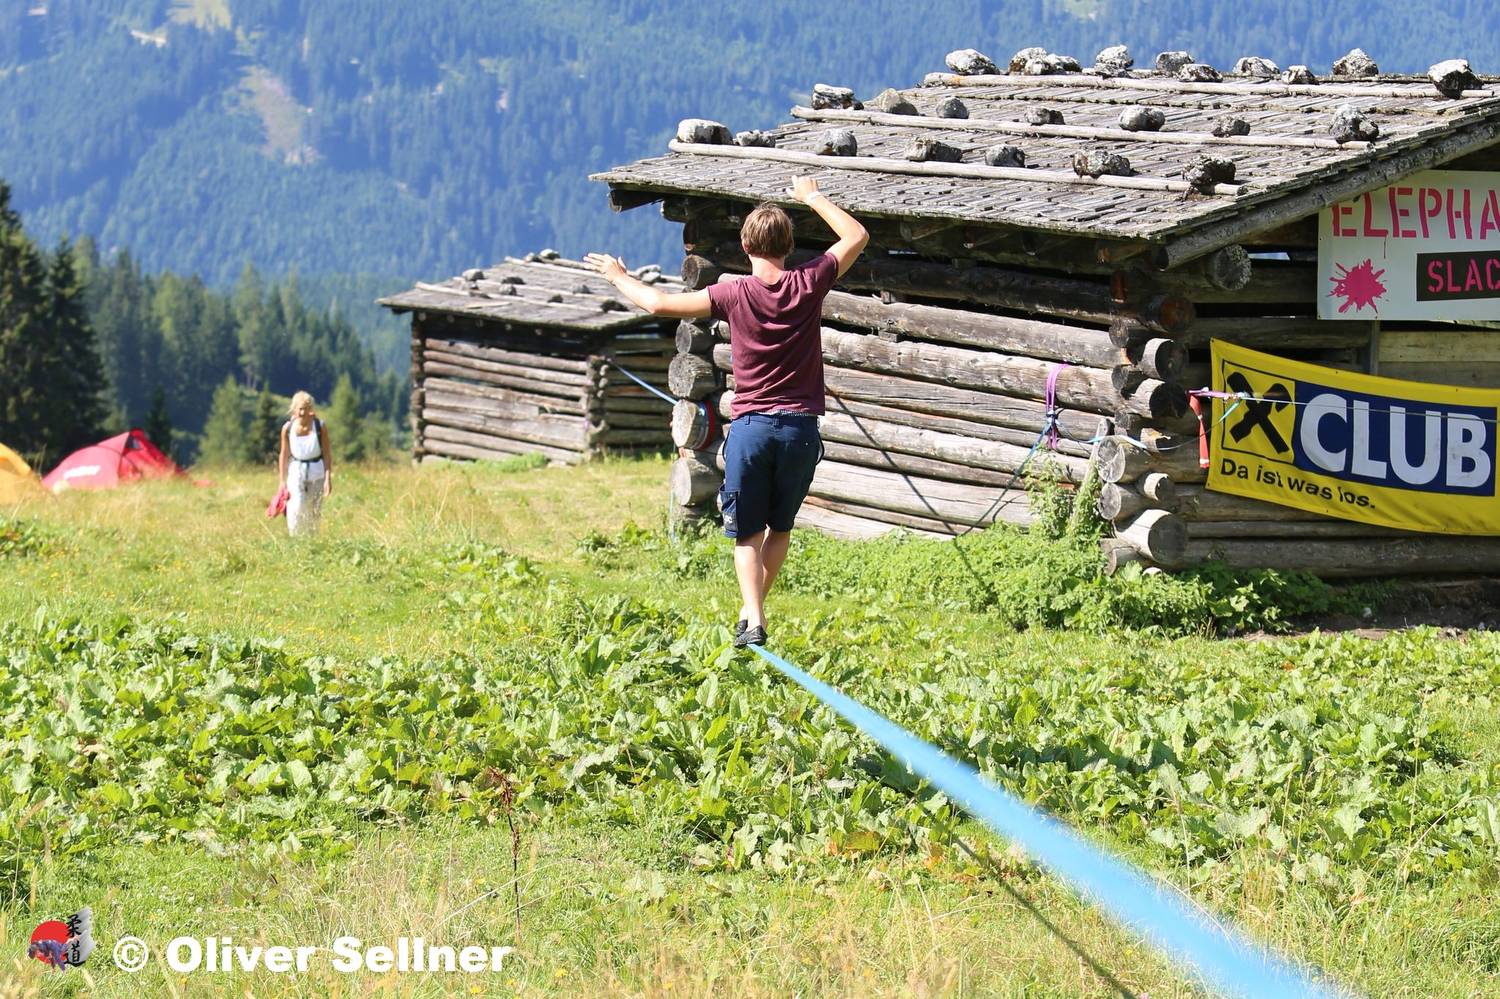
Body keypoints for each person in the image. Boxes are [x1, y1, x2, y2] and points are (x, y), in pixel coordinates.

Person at [586, 175, 868, 647]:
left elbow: (658, 303)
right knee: (781, 528)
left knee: (746, 533)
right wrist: (812, 196)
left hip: (752, 429)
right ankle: (751, 612)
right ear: (789, 244)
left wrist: (618, 276)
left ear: (744, 245)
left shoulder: (732, 293)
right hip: (800, 430)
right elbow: (856, 236)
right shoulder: (810, 281)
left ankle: (753, 619)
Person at [278, 391, 332, 536]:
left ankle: (312, 540)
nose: (302, 412)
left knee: (315, 510)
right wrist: (282, 481)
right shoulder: (287, 429)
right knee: (296, 505)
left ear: (311, 409)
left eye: (306, 408)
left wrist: (328, 479)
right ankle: (296, 539)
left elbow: (326, 454)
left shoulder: (320, 427)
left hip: (317, 473)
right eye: (299, 408)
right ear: (294, 409)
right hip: (296, 472)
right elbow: (283, 454)